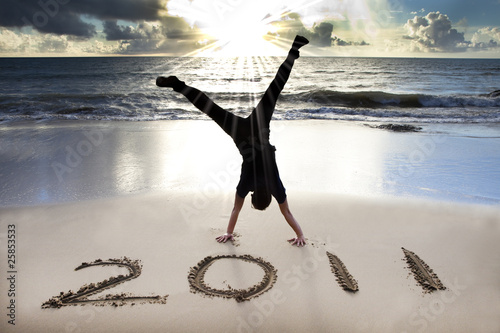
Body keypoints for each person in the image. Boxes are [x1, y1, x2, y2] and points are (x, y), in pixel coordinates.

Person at [156, 35, 309, 247]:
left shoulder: (276, 188)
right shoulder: (246, 185)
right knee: (210, 109)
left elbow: (287, 212)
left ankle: (294, 50)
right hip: (241, 136)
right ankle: (179, 86)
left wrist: (301, 234)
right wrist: (228, 232)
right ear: (253, 196)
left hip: (259, 128)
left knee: (275, 88)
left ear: (267, 196)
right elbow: (236, 209)